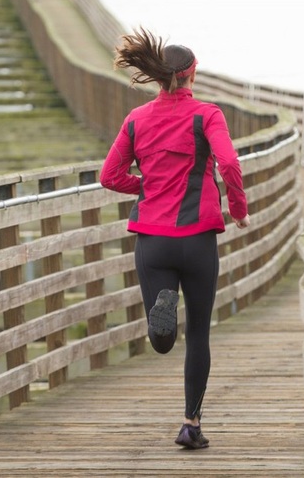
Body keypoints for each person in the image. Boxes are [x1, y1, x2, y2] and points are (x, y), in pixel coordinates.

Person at [99, 27, 250, 450]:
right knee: (199, 332)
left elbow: (109, 176)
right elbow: (230, 165)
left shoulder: (137, 119)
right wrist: (237, 208)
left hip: (153, 240)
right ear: (192, 75)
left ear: (161, 75)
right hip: (199, 238)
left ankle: (160, 331)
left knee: (164, 338)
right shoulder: (207, 115)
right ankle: (191, 425)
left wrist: (147, 188)